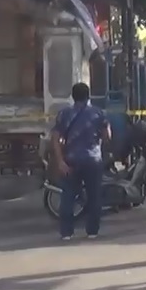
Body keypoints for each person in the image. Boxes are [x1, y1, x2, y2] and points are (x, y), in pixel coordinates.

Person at [45, 82, 110, 241]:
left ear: (73, 96)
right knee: (94, 196)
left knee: (68, 197)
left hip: (71, 160)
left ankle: (67, 233)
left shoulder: (64, 114)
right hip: (93, 160)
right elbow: (107, 135)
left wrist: (60, 161)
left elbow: (55, 138)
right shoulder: (98, 113)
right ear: (89, 95)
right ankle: (92, 232)